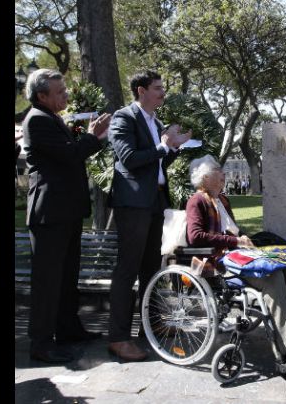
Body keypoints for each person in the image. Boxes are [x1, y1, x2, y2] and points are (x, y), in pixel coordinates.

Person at [185, 155, 286, 376]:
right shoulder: (196, 201)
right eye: (219, 170)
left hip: (240, 257)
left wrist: (244, 239)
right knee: (271, 278)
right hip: (219, 264)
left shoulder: (222, 200)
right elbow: (195, 236)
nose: (223, 174)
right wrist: (234, 242)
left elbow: (234, 230)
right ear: (205, 177)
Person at [22, 68, 112, 363]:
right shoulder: (37, 120)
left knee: (66, 277)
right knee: (48, 282)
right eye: (59, 92)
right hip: (49, 214)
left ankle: (68, 329)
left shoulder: (52, 118)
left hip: (66, 211)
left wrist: (87, 137)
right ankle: (41, 343)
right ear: (42, 96)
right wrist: (93, 136)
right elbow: (70, 155)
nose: (66, 96)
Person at [107, 70, 192, 361]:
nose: (163, 93)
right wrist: (162, 146)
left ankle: (150, 326)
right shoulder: (124, 118)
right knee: (127, 269)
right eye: (158, 88)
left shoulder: (155, 122)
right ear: (141, 91)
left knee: (150, 270)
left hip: (154, 201)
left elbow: (155, 162)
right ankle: (118, 338)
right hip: (132, 204)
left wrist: (173, 148)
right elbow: (129, 158)